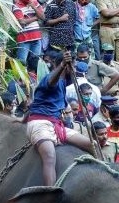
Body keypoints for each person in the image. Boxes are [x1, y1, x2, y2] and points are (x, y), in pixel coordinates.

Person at [26, 49, 95, 186]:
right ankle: (50, 193)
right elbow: (52, 82)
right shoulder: (50, 78)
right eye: (73, 66)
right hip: (40, 124)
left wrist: (22, 119)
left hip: (57, 125)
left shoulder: (63, 83)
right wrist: (63, 65)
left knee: (91, 144)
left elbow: (35, 104)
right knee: (50, 156)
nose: (75, 69)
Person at [96, 0, 119, 80]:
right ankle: (108, 81)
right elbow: (106, 13)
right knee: (108, 57)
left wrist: (112, 12)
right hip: (107, 28)